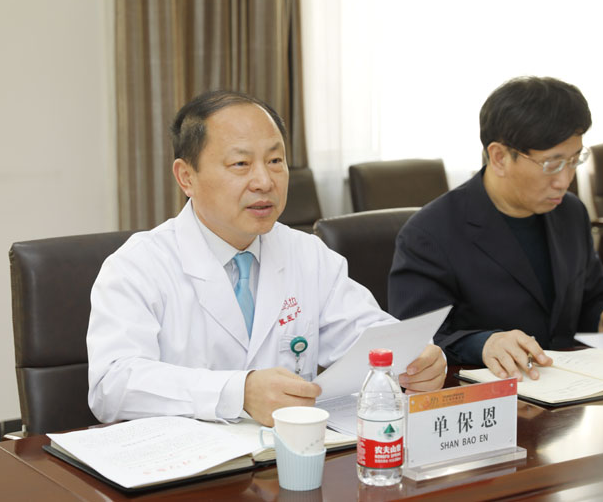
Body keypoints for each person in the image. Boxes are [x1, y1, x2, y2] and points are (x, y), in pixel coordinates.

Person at [87, 91, 446, 426]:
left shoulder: (307, 254)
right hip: (186, 463)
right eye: (240, 163)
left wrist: (417, 358)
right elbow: (111, 386)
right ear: (186, 177)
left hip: (290, 455)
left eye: (275, 161)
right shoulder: (137, 266)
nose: (264, 181)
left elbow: (367, 336)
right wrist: (238, 392)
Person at [389, 76, 603, 382]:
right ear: (499, 157)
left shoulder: (571, 212)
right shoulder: (430, 233)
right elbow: (415, 344)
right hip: (485, 395)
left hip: (570, 388)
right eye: (552, 164)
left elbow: (592, 297)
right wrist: (483, 343)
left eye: (574, 160)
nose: (565, 180)